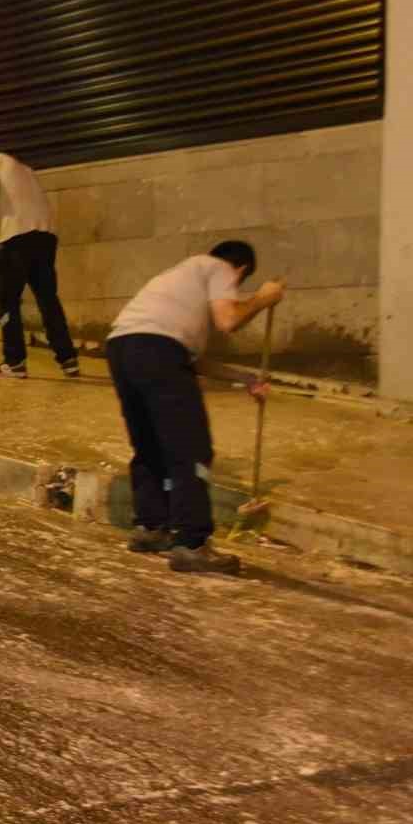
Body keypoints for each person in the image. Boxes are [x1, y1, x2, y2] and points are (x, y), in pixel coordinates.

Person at [106, 240, 285, 574]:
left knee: (149, 444)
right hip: (155, 350)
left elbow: (183, 357)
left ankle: (151, 527)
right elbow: (228, 319)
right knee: (192, 450)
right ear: (240, 269)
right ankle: (191, 543)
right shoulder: (218, 268)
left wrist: (246, 379)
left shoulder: (176, 279)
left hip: (121, 348)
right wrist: (263, 298)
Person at [0, 151, 79, 378]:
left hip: (20, 243)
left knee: (8, 301)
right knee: (48, 300)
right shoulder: (25, 172)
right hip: (45, 238)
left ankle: (14, 361)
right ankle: (68, 358)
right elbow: (20, 237)